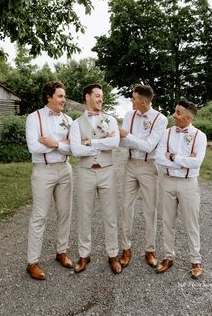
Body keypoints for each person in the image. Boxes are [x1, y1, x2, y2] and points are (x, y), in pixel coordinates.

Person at [69, 83, 122, 274]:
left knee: (111, 215)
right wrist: (101, 145)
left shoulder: (111, 120)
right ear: (87, 97)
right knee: (84, 214)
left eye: (102, 96)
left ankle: (113, 255)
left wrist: (91, 142)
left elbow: (114, 143)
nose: (101, 99)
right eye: (97, 96)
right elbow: (75, 150)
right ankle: (84, 255)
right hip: (85, 172)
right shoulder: (76, 124)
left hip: (107, 171)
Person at [25, 81, 73, 280]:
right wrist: (62, 144)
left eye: (64, 96)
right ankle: (32, 262)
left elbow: (74, 148)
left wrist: (53, 143)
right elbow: (33, 148)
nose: (64, 100)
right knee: (39, 216)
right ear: (49, 96)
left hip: (65, 169)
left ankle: (61, 252)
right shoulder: (33, 118)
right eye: (60, 96)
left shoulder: (69, 120)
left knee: (65, 213)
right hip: (43, 171)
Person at [155, 100, 207, 279]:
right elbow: (159, 158)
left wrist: (173, 156)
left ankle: (196, 260)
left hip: (188, 184)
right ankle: (168, 257)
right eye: (175, 111)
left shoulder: (200, 136)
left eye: (177, 113)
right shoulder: (167, 133)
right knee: (167, 221)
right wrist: (183, 161)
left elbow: (196, 162)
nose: (174, 115)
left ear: (188, 117)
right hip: (168, 182)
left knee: (191, 223)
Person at [119, 85, 168, 268]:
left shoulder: (160, 119)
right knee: (126, 207)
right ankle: (126, 248)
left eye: (133, 98)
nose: (131, 101)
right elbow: (121, 142)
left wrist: (129, 137)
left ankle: (150, 250)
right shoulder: (128, 115)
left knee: (150, 210)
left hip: (149, 167)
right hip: (130, 164)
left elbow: (149, 147)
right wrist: (132, 140)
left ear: (144, 101)